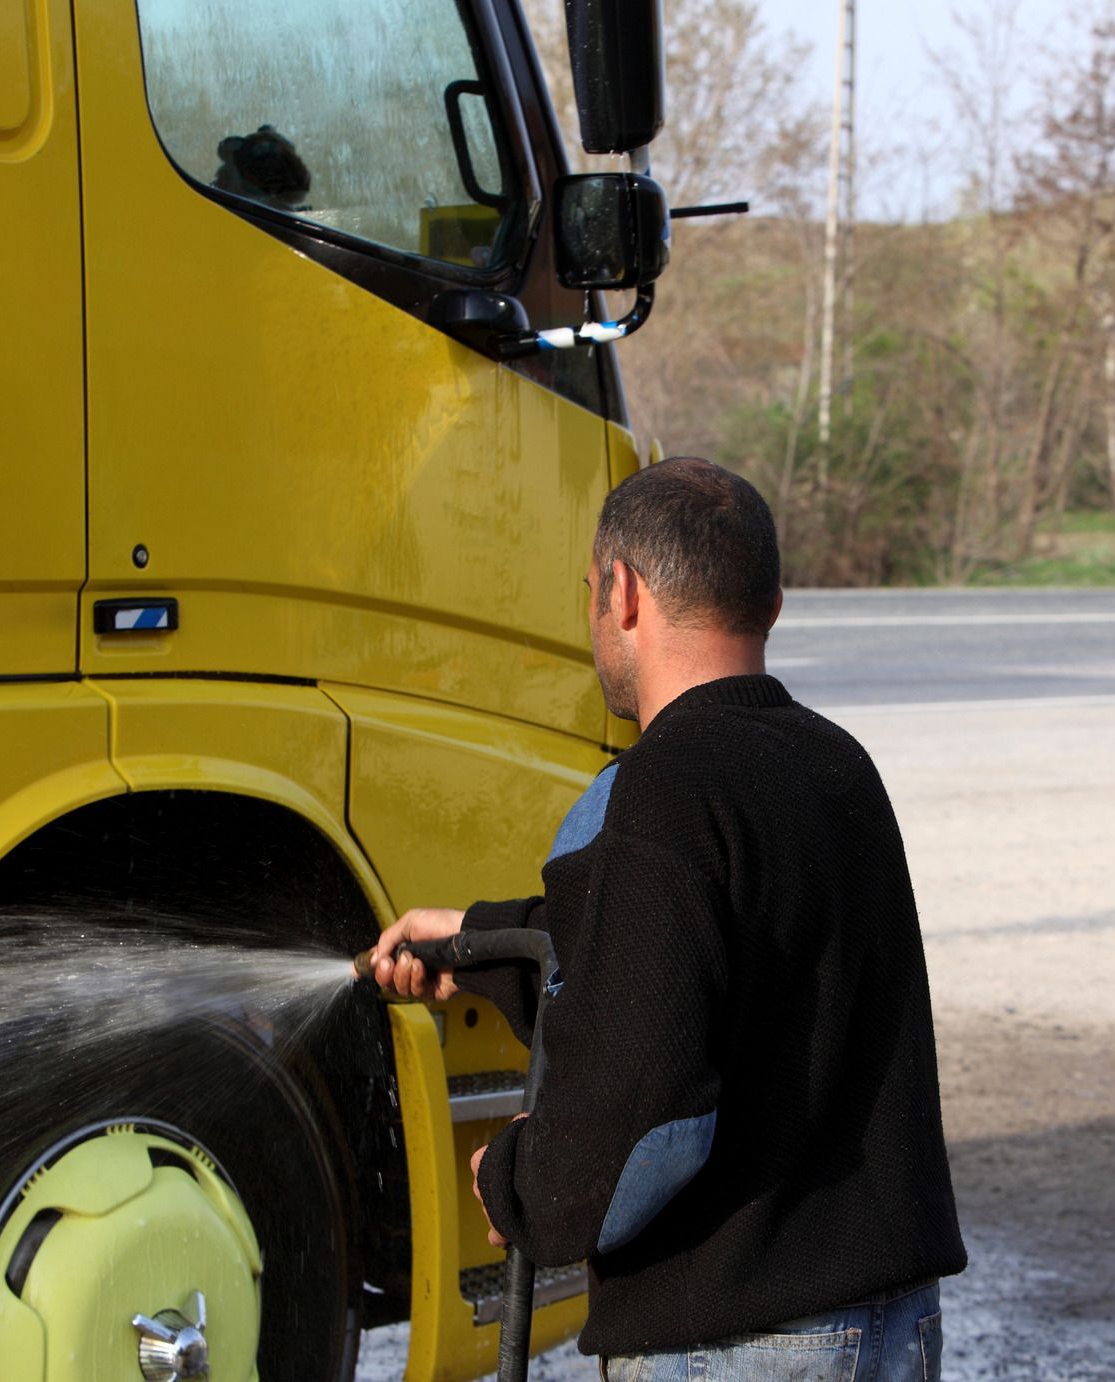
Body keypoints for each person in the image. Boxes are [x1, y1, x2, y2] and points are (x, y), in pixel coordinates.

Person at [369, 457, 966, 1380]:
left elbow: (644, 1111)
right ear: (770, 602)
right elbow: (718, 972)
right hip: (887, 1327)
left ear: (624, 590)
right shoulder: (834, 766)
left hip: (745, 1345)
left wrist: (521, 1182)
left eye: (592, 592)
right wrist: (487, 946)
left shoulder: (661, 789)